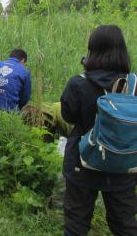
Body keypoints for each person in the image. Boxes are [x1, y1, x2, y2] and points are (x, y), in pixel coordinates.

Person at [60, 25, 137, 236]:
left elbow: (68, 116)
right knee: (125, 225)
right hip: (124, 165)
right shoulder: (134, 85)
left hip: (83, 161)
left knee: (76, 222)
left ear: (92, 49)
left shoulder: (79, 83)